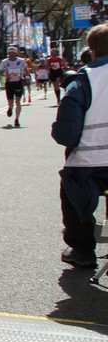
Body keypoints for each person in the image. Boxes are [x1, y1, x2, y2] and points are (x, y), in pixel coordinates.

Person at [51, 24, 108, 269]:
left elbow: (66, 132)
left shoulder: (84, 79)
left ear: (92, 51)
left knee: (72, 192)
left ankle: (82, 249)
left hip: (91, 165)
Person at [0, 46, 29, 127]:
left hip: (18, 82)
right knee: (10, 102)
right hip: (9, 83)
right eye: (10, 53)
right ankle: (10, 108)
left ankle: (17, 119)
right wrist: (5, 74)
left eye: (13, 53)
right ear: (8, 53)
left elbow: (25, 69)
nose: (12, 54)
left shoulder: (21, 61)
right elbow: (0, 71)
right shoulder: (4, 62)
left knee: (18, 101)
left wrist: (27, 77)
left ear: (16, 53)